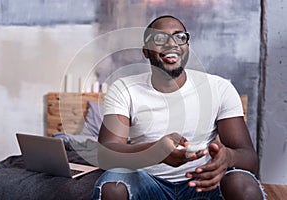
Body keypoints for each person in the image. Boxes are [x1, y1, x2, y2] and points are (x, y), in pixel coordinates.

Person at [92, 15, 265, 200]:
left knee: (242, 184)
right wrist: (155, 152)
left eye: (180, 37)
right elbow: (106, 154)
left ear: (187, 47)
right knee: (113, 184)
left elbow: (249, 158)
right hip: (148, 183)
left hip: (203, 183)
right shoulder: (124, 88)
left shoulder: (218, 88)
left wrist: (227, 158)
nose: (172, 44)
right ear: (146, 51)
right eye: (159, 39)